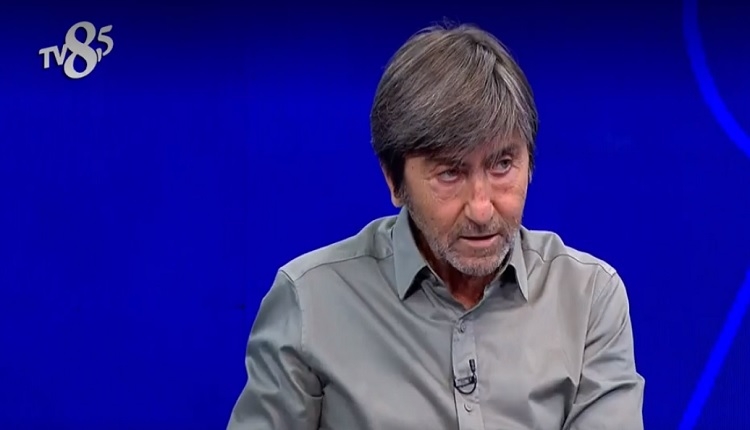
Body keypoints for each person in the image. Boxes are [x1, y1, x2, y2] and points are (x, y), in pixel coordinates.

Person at [227, 23, 645, 430]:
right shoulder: (310, 301)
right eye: (450, 173)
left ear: (530, 164)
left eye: (502, 165)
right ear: (394, 181)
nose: (481, 209)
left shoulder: (588, 297)